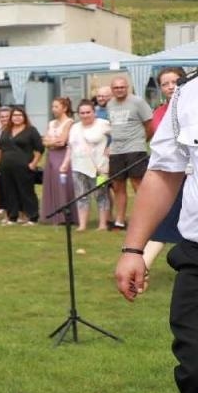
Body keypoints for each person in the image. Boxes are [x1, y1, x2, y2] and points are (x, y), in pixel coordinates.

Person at [113, 69, 198, 393]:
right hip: (197, 257)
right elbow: (164, 172)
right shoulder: (189, 94)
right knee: (194, 370)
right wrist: (133, 249)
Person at [144, 67, 189, 272]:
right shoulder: (160, 112)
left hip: (191, 172)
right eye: (165, 83)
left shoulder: (191, 106)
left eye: (175, 81)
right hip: (173, 175)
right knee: (164, 219)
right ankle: (142, 265)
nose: (171, 86)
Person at [105, 75, 154, 230]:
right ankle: (120, 220)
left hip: (135, 148)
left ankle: (143, 220)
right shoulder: (110, 104)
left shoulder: (137, 102)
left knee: (137, 183)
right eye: (116, 87)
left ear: (127, 87)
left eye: (122, 87)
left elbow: (149, 125)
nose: (119, 90)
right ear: (112, 89)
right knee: (118, 185)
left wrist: (142, 141)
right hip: (116, 150)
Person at [65, 99, 112, 231]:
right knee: (81, 196)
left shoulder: (103, 124)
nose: (85, 115)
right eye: (82, 113)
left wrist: (111, 147)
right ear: (78, 114)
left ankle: (103, 224)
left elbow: (119, 135)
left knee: (101, 195)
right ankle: (82, 225)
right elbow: (70, 147)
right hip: (78, 166)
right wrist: (65, 163)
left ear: (93, 112)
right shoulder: (74, 127)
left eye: (88, 112)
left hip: (99, 167)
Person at [0, 105, 44, 224]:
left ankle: (32, 216)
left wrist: (34, 163)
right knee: (9, 191)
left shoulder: (31, 131)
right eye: (14, 115)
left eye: (19, 115)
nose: (17, 118)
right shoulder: (6, 131)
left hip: (24, 166)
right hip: (6, 166)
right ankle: (12, 216)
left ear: (24, 117)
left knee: (26, 191)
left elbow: (39, 148)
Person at [41, 96, 75, 225]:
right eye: (52, 107)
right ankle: (53, 213)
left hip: (62, 156)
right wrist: (50, 142)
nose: (53, 109)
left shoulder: (69, 122)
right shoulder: (51, 123)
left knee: (63, 184)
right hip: (51, 155)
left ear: (64, 108)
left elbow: (63, 141)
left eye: (56, 106)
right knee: (52, 183)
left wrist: (51, 141)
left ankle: (65, 216)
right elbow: (44, 140)